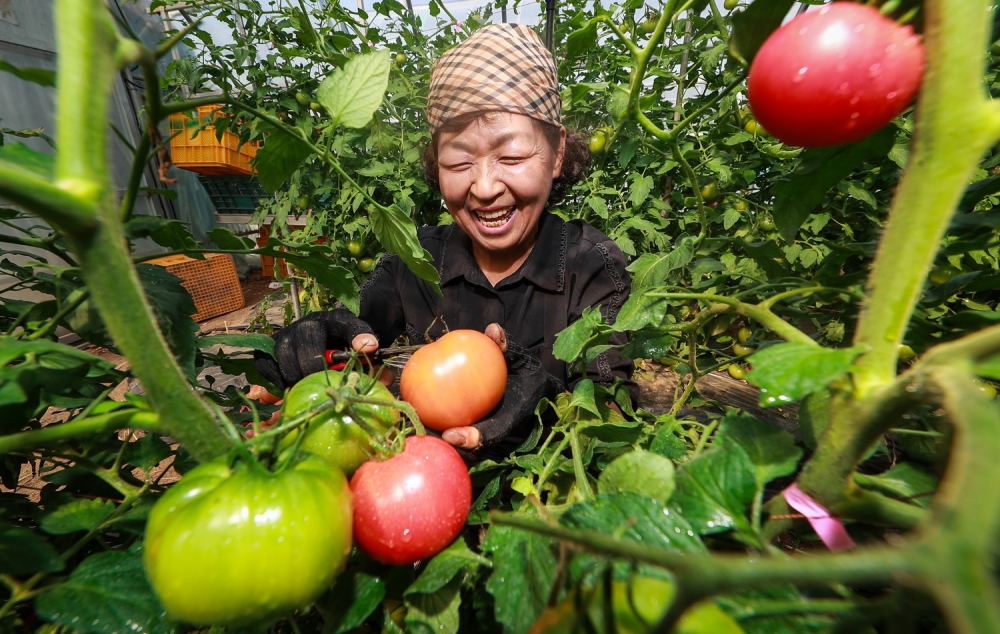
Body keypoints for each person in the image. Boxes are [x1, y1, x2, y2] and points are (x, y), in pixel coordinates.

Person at [255, 24, 634, 457]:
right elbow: (355, 329)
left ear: (557, 153)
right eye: (458, 159)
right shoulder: (414, 261)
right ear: (436, 164)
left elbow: (610, 410)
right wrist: (311, 345)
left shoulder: (593, 267)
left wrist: (544, 398)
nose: (485, 187)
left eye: (511, 156)